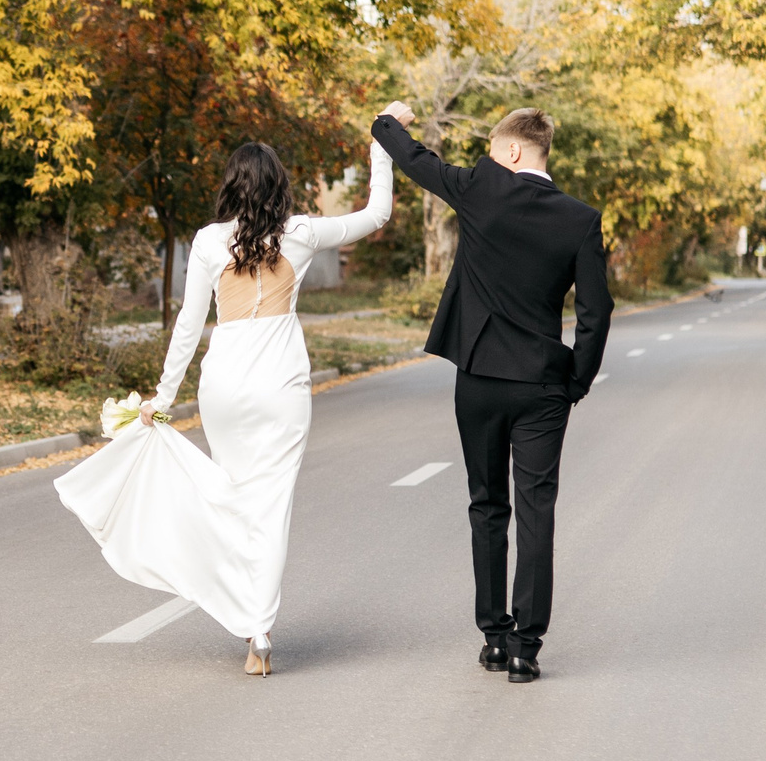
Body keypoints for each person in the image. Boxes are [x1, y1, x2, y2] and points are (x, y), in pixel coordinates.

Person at [54, 136, 393, 674]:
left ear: (231, 186)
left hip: (225, 389)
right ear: (278, 186)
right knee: (270, 507)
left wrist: (162, 400)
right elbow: (377, 214)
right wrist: (382, 146)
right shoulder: (301, 232)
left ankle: (244, 613)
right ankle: (259, 634)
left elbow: (189, 326)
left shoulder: (210, 242)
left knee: (234, 500)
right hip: (281, 387)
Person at [371, 102, 610, 683]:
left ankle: (494, 637)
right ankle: (528, 648)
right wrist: (574, 380)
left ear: (511, 150)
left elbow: (415, 160)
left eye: (490, 150)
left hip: (477, 379)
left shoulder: (481, 189)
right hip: (542, 387)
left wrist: (387, 121)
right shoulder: (580, 219)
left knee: (486, 506)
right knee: (536, 512)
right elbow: (596, 312)